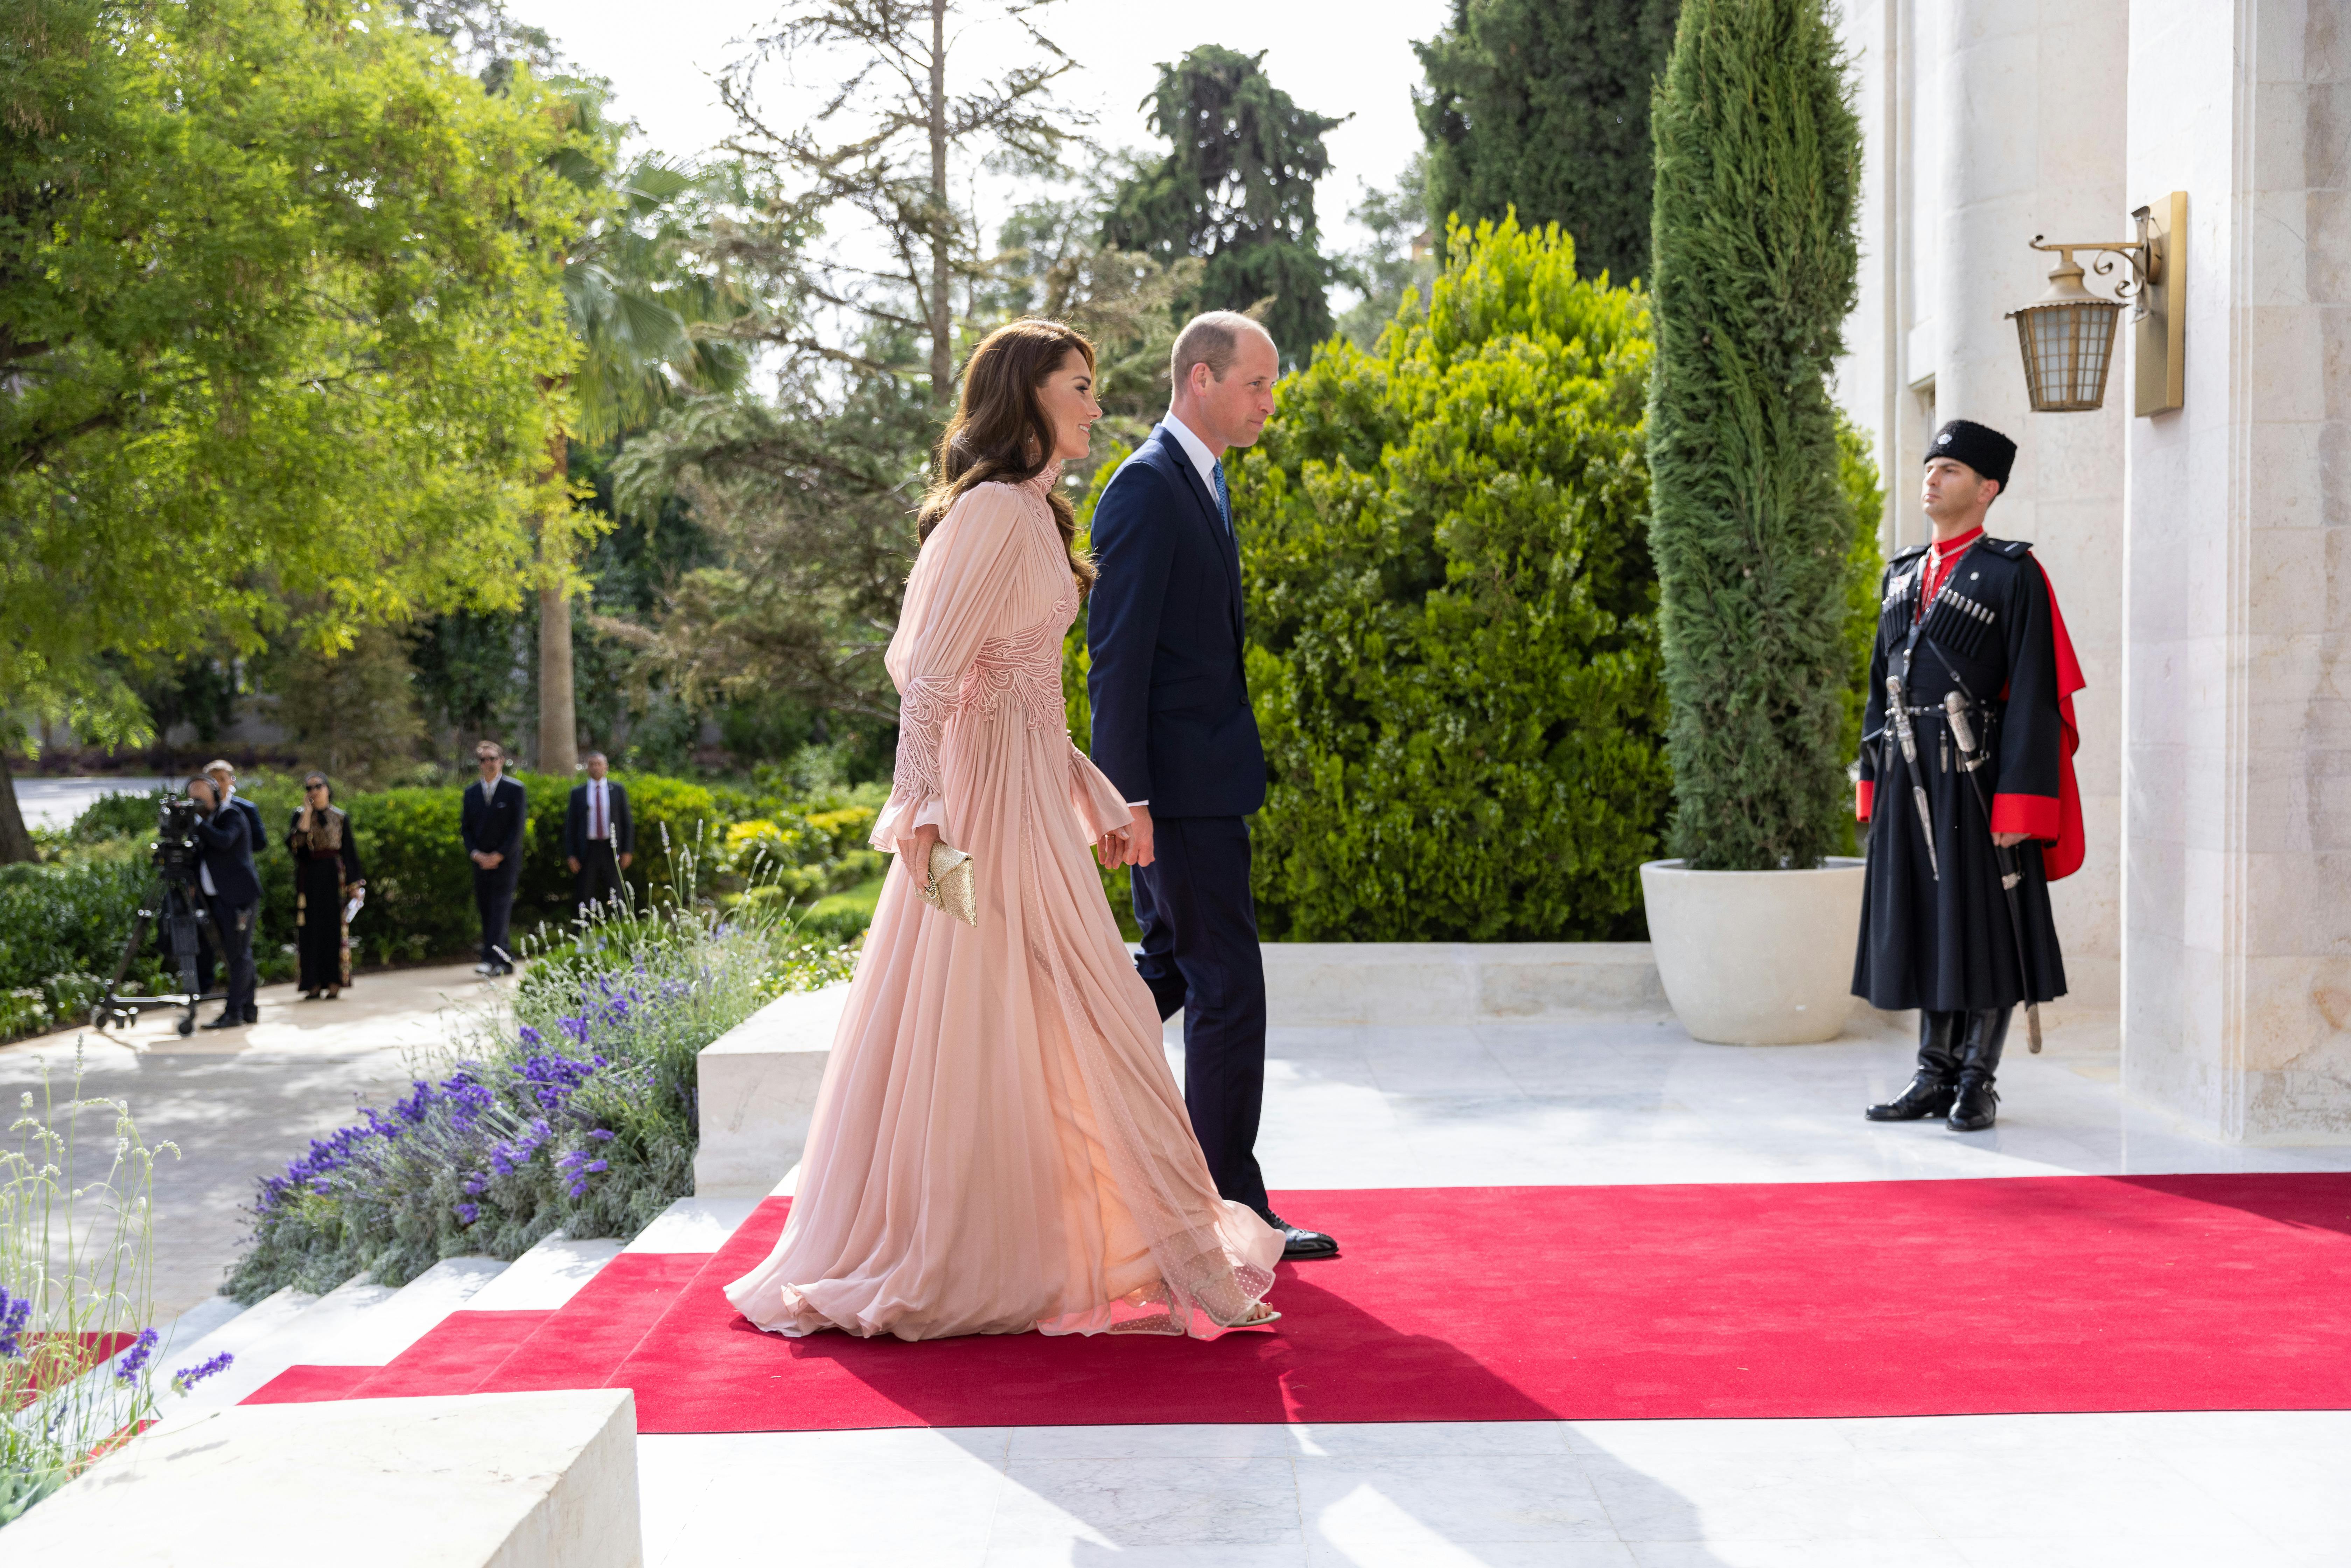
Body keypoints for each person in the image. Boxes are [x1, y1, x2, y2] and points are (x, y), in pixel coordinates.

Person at [723, 319, 1284, 1341]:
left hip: (1033, 798)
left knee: (1076, 1008)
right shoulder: (985, 513)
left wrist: (1091, 788)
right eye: (1078, 384)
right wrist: (923, 809)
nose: (1094, 403)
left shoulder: (1038, 512)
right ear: (1025, 395)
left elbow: (1026, 690)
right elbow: (932, 676)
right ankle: (962, 1246)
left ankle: (1092, 1233)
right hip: (978, 809)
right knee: (989, 1013)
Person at [1083, 311, 1338, 1261]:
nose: (1269, 401)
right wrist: (1130, 799)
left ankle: (1043, 1091)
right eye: (1256, 384)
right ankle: (1227, 1210)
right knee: (1227, 988)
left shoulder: (1201, 478)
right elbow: (1117, 658)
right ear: (1200, 379)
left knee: (1168, 976)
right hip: (1176, 798)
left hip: (1200, 784)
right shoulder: (1147, 487)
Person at [1854, 420, 2085, 1132]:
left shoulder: (2013, 573)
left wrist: (2020, 801)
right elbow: (1876, 689)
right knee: (1930, 926)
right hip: (1907, 775)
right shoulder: (1899, 573)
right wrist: (1870, 782)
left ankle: (1977, 1081)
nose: (1931, 477)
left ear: (1987, 489)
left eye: (1949, 469)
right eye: (1929, 466)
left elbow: (2035, 694)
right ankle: (1932, 1073)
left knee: (1986, 931)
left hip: (1979, 778)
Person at [186, 774, 260, 1031]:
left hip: (239, 897)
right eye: (191, 801)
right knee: (237, 953)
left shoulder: (232, 815)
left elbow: (224, 840)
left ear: (216, 797)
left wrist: (195, 821)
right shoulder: (203, 823)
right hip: (217, 899)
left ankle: (234, 1013)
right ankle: (248, 1009)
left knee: (239, 954)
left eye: (200, 800)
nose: (195, 805)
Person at [287, 772, 364, 999]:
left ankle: (334, 981)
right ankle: (311, 983)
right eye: (309, 787)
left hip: (334, 878)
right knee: (310, 930)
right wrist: (307, 815)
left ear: (328, 789)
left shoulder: (340, 817)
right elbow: (296, 849)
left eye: (318, 786)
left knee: (333, 929)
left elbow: (349, 852)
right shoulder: (300, 816)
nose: (314, 791)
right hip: (309, 879)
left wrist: (355, 885)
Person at [461, 741, 526, 976]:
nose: (488, 763)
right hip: (481, 863)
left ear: (501, 760)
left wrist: (499, 855)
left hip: (506, 863)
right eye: (483, 760)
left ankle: (489, 959)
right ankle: (506, 960)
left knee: (500, 909)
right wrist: (477, 854)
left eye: (492, 759)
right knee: (487, 910)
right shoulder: (471, 793)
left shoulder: (514, 789)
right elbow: (466, 829)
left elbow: (517, 829)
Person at [564, 752, 632, 913]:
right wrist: (571, 854)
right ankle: (584, 931)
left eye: (599, 764)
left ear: (606, 767)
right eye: (592, 764)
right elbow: (571, 826)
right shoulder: (578, 793)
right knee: (585, 891)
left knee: (616, 891)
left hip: (612, 848)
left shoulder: (617, 790)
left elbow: (627, 823)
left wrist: (628, 850)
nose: (595, 768)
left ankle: (619, 929)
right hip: (588, 849)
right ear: (587, 768)